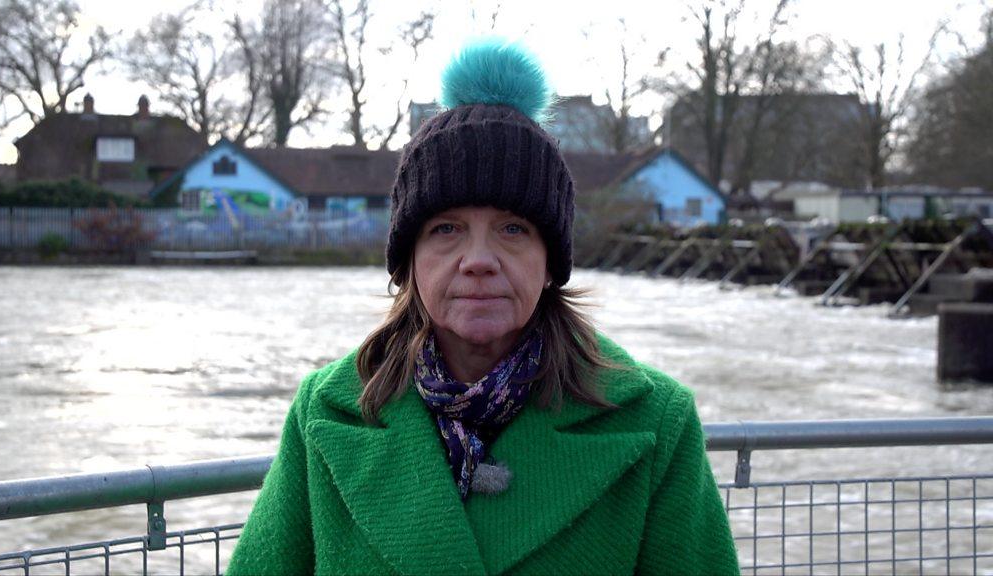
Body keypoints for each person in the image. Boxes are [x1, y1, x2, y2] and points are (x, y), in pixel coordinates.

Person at [227, 37, 738, 576]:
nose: (478, 260)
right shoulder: (325, 413)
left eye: (512, 229)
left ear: (549, 264)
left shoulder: (657, 423)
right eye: (446, 229)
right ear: (409, 262)